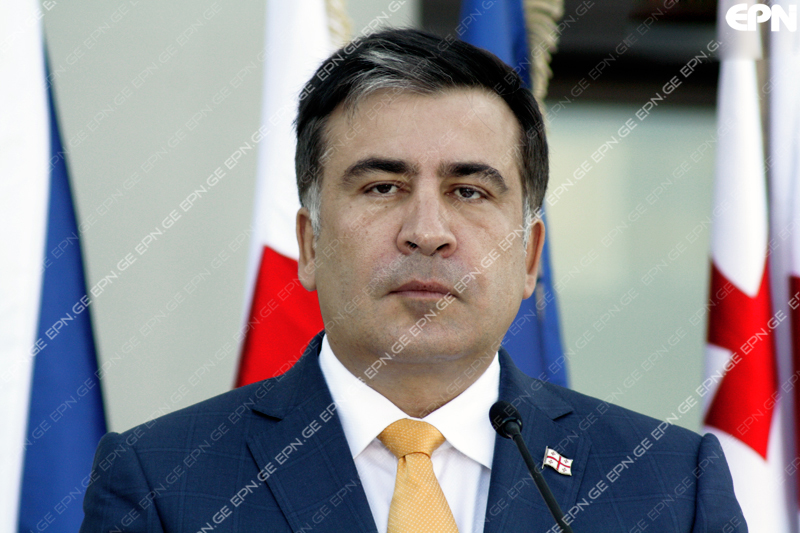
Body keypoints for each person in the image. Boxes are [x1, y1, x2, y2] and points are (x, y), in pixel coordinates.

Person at [80, 29, 746, 533]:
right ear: (309, 245)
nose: (428, 232)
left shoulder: (669, 486)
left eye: (469, 191)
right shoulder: (162, 482)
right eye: (382, 186)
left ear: (530, 257)